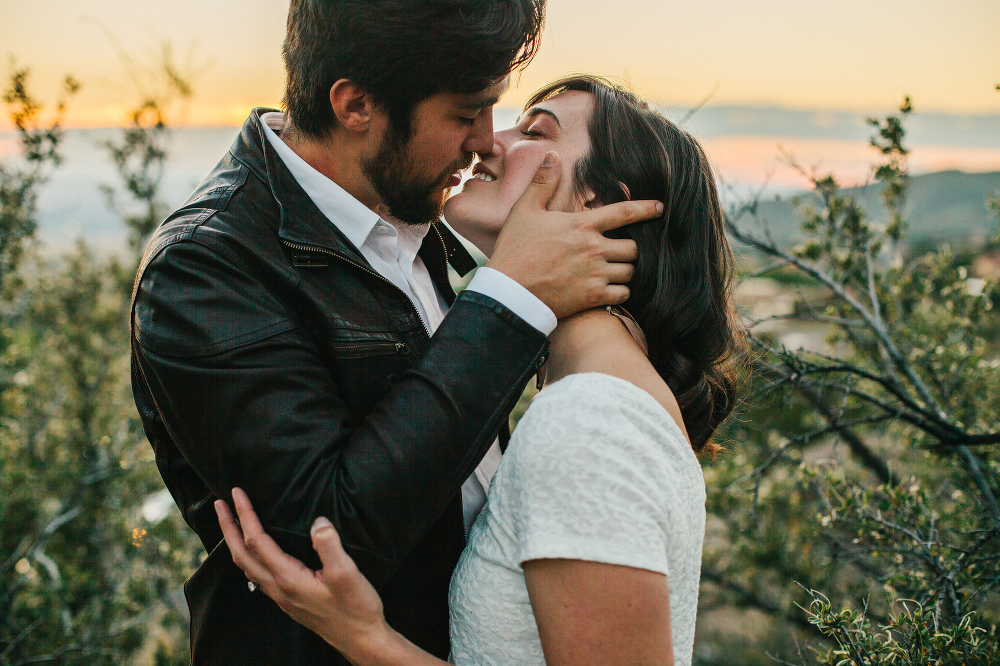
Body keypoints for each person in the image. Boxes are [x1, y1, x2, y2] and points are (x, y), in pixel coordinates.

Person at [130, 0, 665, 662]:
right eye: (466, 113)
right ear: (355, 107)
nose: (485, 140)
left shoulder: (407, 207)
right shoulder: (207, 266)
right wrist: (508, 300)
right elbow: (318, 539)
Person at [216, 75, 747, 666]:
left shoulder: (587, 419)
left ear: (597, 202)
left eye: (534, 129)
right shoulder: (597, 398)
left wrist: (368, 640)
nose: (489, 142)